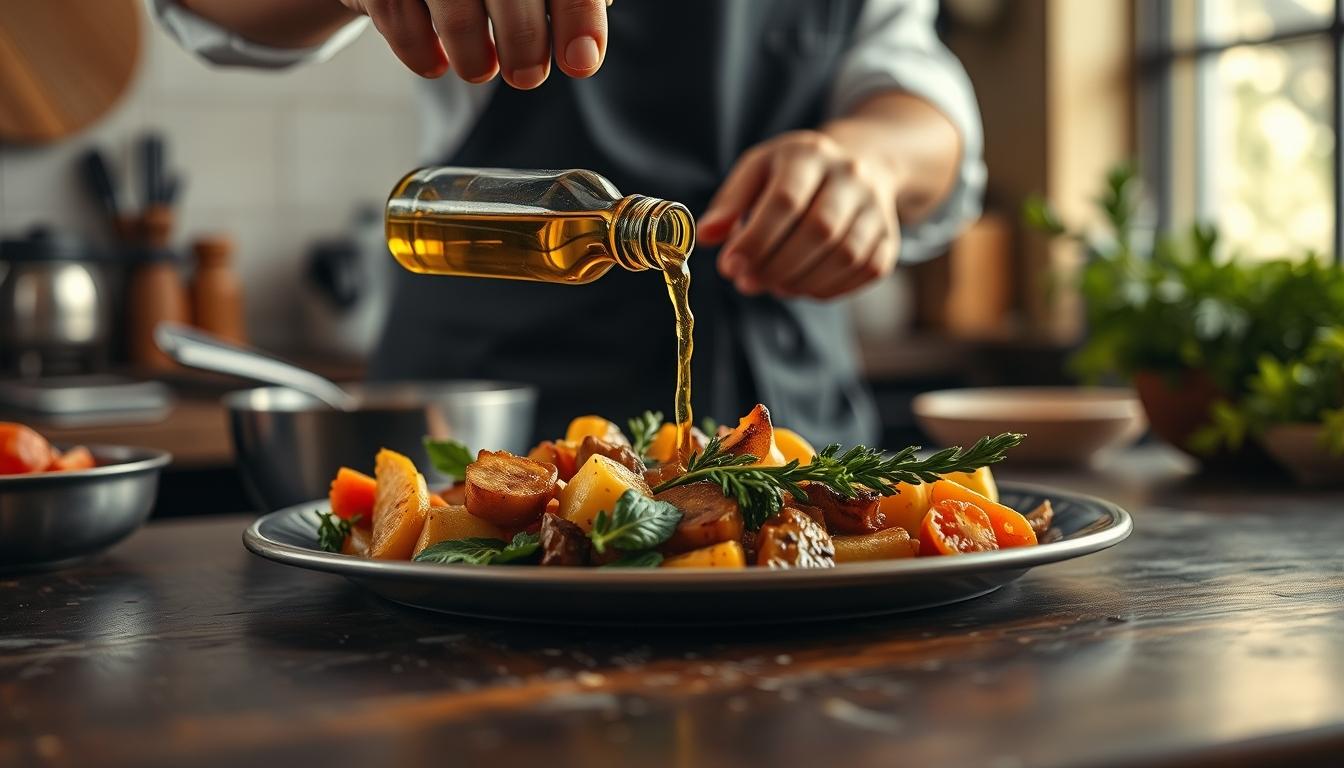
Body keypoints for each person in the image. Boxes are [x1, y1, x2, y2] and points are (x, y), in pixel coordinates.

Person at [152, 0, 983, 446]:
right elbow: (209, 14)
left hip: (800, 421)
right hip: (496, 434)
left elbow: (919, 88)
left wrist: (872, 162)